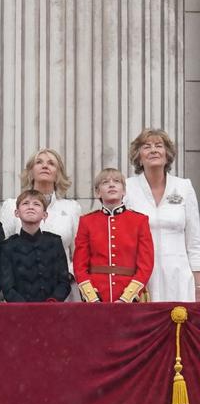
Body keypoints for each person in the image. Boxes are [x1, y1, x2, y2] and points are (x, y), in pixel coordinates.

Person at [123, 128, 200, 302]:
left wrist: (198, 285)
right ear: (139, 158)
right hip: (139, 278)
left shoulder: (184, 187)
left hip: (179, 276)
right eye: (146, 146)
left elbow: (194, 240)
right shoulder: (127, 188)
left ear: (167, 155)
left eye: (159, 145)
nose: (153, 150)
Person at [73, 168, 152, 303]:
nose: (111, 184)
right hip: (97, 294)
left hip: (130, 295)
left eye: (116, 181)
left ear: (124, 191)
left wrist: (127, 297)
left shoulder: (140, 221)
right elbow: (79, 265)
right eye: (105, 182)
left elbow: (146, 264)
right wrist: (91, 296)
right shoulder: (87, 221)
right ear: (97, 192)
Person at [0, 148, 82, 264]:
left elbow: (78, 253)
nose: (45, 166)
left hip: (61, 279)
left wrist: (71, 276)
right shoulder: (11, 205)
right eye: (39, 162)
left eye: (51, 163)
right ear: (31, 172)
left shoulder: (72, 208)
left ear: (58, 173)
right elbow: (3, 249)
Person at [0, 190, 71, 302]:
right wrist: (26, 308)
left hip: (52, 310)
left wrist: (53, 301)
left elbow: (64, 281)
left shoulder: (55, 243)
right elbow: (7, 287)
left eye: (36, 204)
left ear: (44, 215)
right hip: (20, 312)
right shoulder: (8, 246)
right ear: (16, 213)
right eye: (25, 203)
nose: (30, 207)